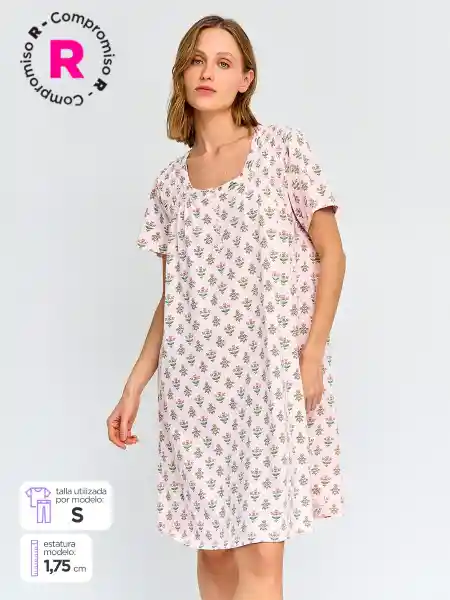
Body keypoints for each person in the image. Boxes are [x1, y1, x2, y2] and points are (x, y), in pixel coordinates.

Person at [107, 14, 346, 600]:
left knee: (261, 551)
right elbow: (176, 298)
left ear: (246, 79)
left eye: (222, 62)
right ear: (181, 74)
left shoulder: (282, 150)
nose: (206, 72)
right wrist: (134, 386)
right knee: (213, 551)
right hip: (196, 387)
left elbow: (332, 254)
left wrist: (311, 354)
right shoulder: (170, 184)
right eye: (196, 60)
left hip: (269, 375)